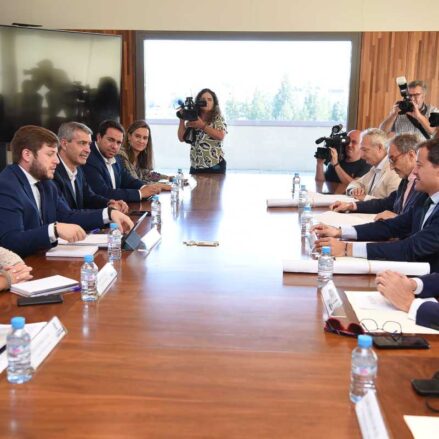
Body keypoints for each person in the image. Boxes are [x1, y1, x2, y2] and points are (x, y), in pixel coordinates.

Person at [0, 125, 133, 257]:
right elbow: (10, 241)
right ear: (27, 155)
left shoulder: (46, 183)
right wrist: (54, 229)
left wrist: (109, 213)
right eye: (50, 154)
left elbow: (68, 216)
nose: (57, 161)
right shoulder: (6, 185)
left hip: (42, 260)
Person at [313, 138, 439, 271]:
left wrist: (346, 248)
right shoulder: (425, 199)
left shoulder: (423, 196)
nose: (414, 171)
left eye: (419, 165)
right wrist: (340, 231)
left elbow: (410, 247)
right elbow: (391, 227)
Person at [331, 133, 423, 220]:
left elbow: (415, 221)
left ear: (411, 155)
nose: (391, 167)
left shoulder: (418, 182)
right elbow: (386, 203)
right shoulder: (404, 178)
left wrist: (397, 218)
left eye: (365, 150)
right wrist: (351, 205)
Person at [54, 121, 128, 212]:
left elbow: (89, 197)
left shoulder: (79, 169)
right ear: (64, 144)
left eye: (89, 144)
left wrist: (110, 203)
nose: (88, 150)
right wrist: (107, 214)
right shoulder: (52, 173)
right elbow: (66, 215)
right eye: (82, 143)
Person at [83, 120, 162, 202]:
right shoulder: (88, 157)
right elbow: (103, 193)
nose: (114, 146)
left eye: (118, 142)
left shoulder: (116, 158)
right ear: (99, 137)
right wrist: (140, 193)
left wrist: (144, 188)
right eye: (110, 140)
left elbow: (128, 179)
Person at [177, 88, 227, 174]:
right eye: (203, 100)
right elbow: (181, 138)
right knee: (195, 188)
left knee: (215, 188)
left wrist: (202, 125)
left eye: (209, 99)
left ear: (214, 103)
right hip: (195, 166)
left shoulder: (218, 118)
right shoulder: (193, 116)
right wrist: (182, 119)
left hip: (214, 165)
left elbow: (220, 136)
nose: (206, 102)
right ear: (198, 103)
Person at [345, 128, 400, 201]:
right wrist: (354, 190)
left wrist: (365, 198)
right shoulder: (375, 168)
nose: (362, 155)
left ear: (379, 148)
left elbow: (393, 203)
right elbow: (354, 183)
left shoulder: (395, 171)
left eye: (365, 150)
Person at [118, 120, 171, 188]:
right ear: (129, 136)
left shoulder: (137, 158)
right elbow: (135, 182)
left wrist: (167, 178)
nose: (141, 141)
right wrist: (160, 186)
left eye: (145, 138)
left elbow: (147, 174)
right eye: (137, 136)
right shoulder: (122, 155)